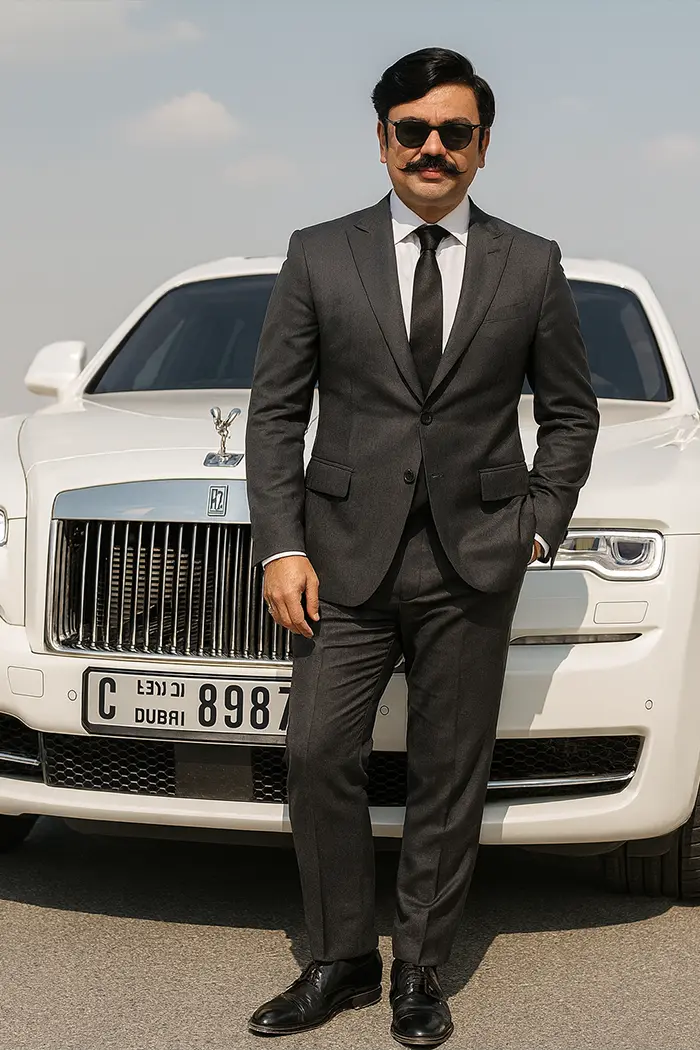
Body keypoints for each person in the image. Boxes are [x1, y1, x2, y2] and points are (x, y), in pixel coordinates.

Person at [244, 47, 599, 1047]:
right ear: (382, 139)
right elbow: (276, 414)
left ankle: (418, 970)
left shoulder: (531, 263)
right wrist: (280, 546)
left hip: (472, 560)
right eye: (413, 130)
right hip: (341, 559)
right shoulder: (320, 253)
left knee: (448, 771)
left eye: (453, 132)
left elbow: (571, 413)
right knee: (318, 753)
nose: (431, 148)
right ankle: (341, 958)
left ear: (483, 146)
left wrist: (537, 524)